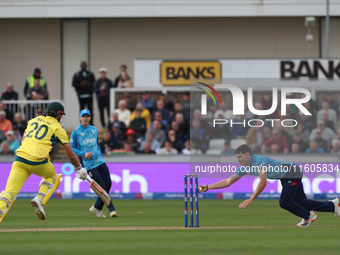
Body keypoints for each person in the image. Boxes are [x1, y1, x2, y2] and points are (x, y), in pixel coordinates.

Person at [199, 144, 340, 228]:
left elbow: (263, 181)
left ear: (248, 155)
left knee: (285, 202)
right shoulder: (244, 167)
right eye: (237, 158)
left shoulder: (260, 161)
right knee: (301, 202)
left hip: (292, 172)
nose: (238, 160)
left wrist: (251, 198)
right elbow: (228, 182)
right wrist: (207, 187)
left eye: (240, 157)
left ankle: (308, 215)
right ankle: (333, 205)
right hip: (285, 177)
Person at [0, 102, 87, 224]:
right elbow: (71, 155)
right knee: (53, 177)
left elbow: (24, 139)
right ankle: (39, 198)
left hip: (20, 159)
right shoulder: (58, 128)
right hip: (37, 162)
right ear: (58, 115)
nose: (61, 118)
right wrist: (78, 168)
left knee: (8, 193)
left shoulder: (33, 120)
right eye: (61, 115)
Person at [70, 109, 117, 218]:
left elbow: (96, 144)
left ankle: (97, 207)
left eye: (87, 116)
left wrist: (99, 154)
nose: (85, 118)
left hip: (99, 160)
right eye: (83, 116)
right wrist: (83, 154)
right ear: (80, 118)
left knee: (108, 183)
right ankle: (112, 209)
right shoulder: (76, 131)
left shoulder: (94, 130)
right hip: (89, 164)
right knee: (102, 187)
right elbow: (72, 148)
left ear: (90, 118)